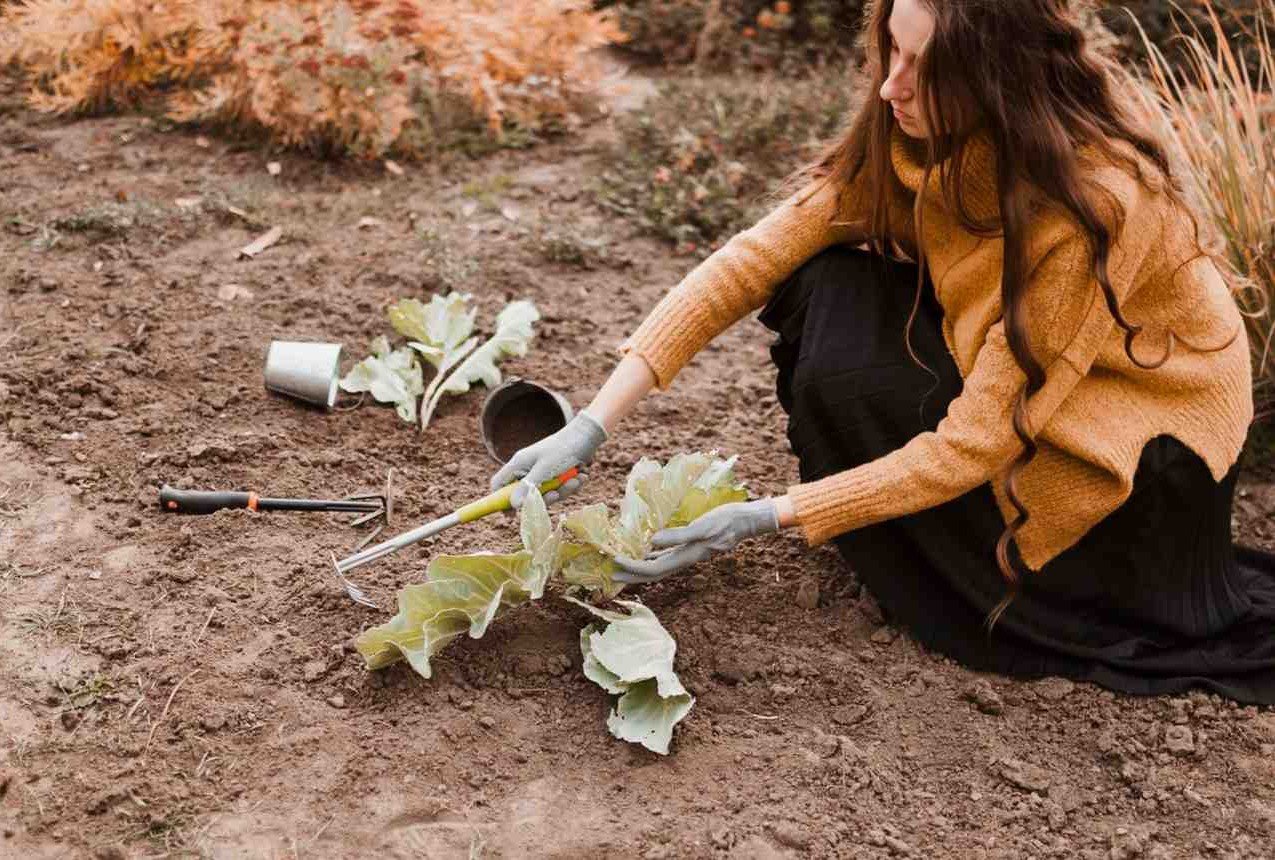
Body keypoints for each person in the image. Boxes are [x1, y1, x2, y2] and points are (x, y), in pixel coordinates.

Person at [489, 0, 1275, 704]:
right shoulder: (916, 140)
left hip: (1135, 462)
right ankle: (891, 516)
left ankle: (959, 556)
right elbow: (746, 263)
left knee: (858, 370)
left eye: (924, 68)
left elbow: (975, 443)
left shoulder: (1086, 204)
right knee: (823, 281)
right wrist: (590, 424)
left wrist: (768, 517)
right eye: (891, 51)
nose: (892, 86)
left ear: (994, 76)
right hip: (1043, 381)